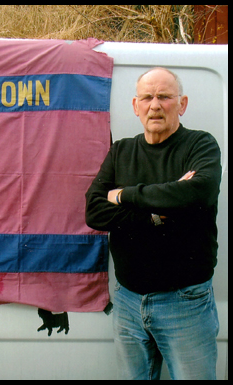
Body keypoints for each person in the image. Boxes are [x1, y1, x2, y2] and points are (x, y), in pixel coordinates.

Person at [85, 67, 221, 380]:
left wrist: (124, 195)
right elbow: (94, 211)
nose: (155, 105)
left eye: (164, 96)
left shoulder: (200, 146)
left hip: (185, 303)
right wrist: (157, 214)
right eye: (147, 97)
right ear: (135, 106)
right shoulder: (121, 151)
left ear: (182, 104)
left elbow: (197, 192)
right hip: (128, 301)